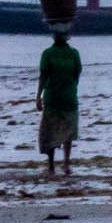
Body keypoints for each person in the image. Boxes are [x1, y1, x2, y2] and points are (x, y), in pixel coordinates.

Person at [36, 28, 82, 176]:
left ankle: (51, 167)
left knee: (50, 132)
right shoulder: (74, 53)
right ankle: (66, 164)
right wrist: (70, 87)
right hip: (69, 97)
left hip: (52, 97)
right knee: (68, 130)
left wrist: (38, 96)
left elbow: (43, 76)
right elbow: (77, 74)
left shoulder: (47, 53)